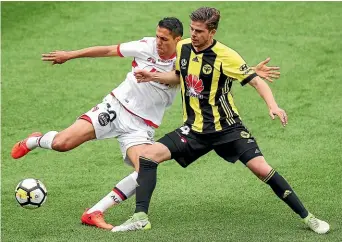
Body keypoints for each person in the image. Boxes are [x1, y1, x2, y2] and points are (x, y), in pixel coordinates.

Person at [10, 16, 279, 231]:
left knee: (145, 169)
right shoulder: (145, 45)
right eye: (158, 36)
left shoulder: (186, 55)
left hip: (141, 126)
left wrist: (252, 70)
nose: (159, 42)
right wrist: (70, 54)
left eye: (164, 39)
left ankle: (94, 212)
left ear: (177, 39)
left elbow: (215, 70)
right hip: (115, 107)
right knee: (61, 144)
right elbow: (108, 50)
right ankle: (34, 140)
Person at [112, 7, 330, 234]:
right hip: (194, 129)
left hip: (228, 129)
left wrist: (273, 105)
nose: (193, 34)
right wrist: (153, 76)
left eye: (199, 31)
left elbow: (256, 81)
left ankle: (308, 217)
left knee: (262, 169)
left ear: (212, 32)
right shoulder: (183, 47)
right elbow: (179, 76)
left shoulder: (227, 56)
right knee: (148, 156)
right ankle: (140, 217)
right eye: (192, 29)